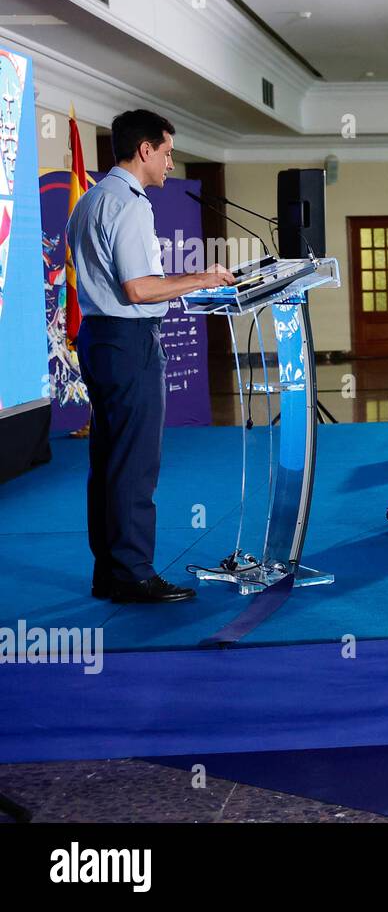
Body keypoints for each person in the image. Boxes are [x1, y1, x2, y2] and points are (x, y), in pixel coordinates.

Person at [68, 109, 235, 604]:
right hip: (127, 341)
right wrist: (203, 279)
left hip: (99, 337)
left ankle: (111, 570)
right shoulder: (130, 205)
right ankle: (133, 572)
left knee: (110, 459)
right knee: (136, 462)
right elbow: (140, 289)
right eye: (167, 152)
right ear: (144, 150)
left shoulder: (92, 198)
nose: (170, 162)